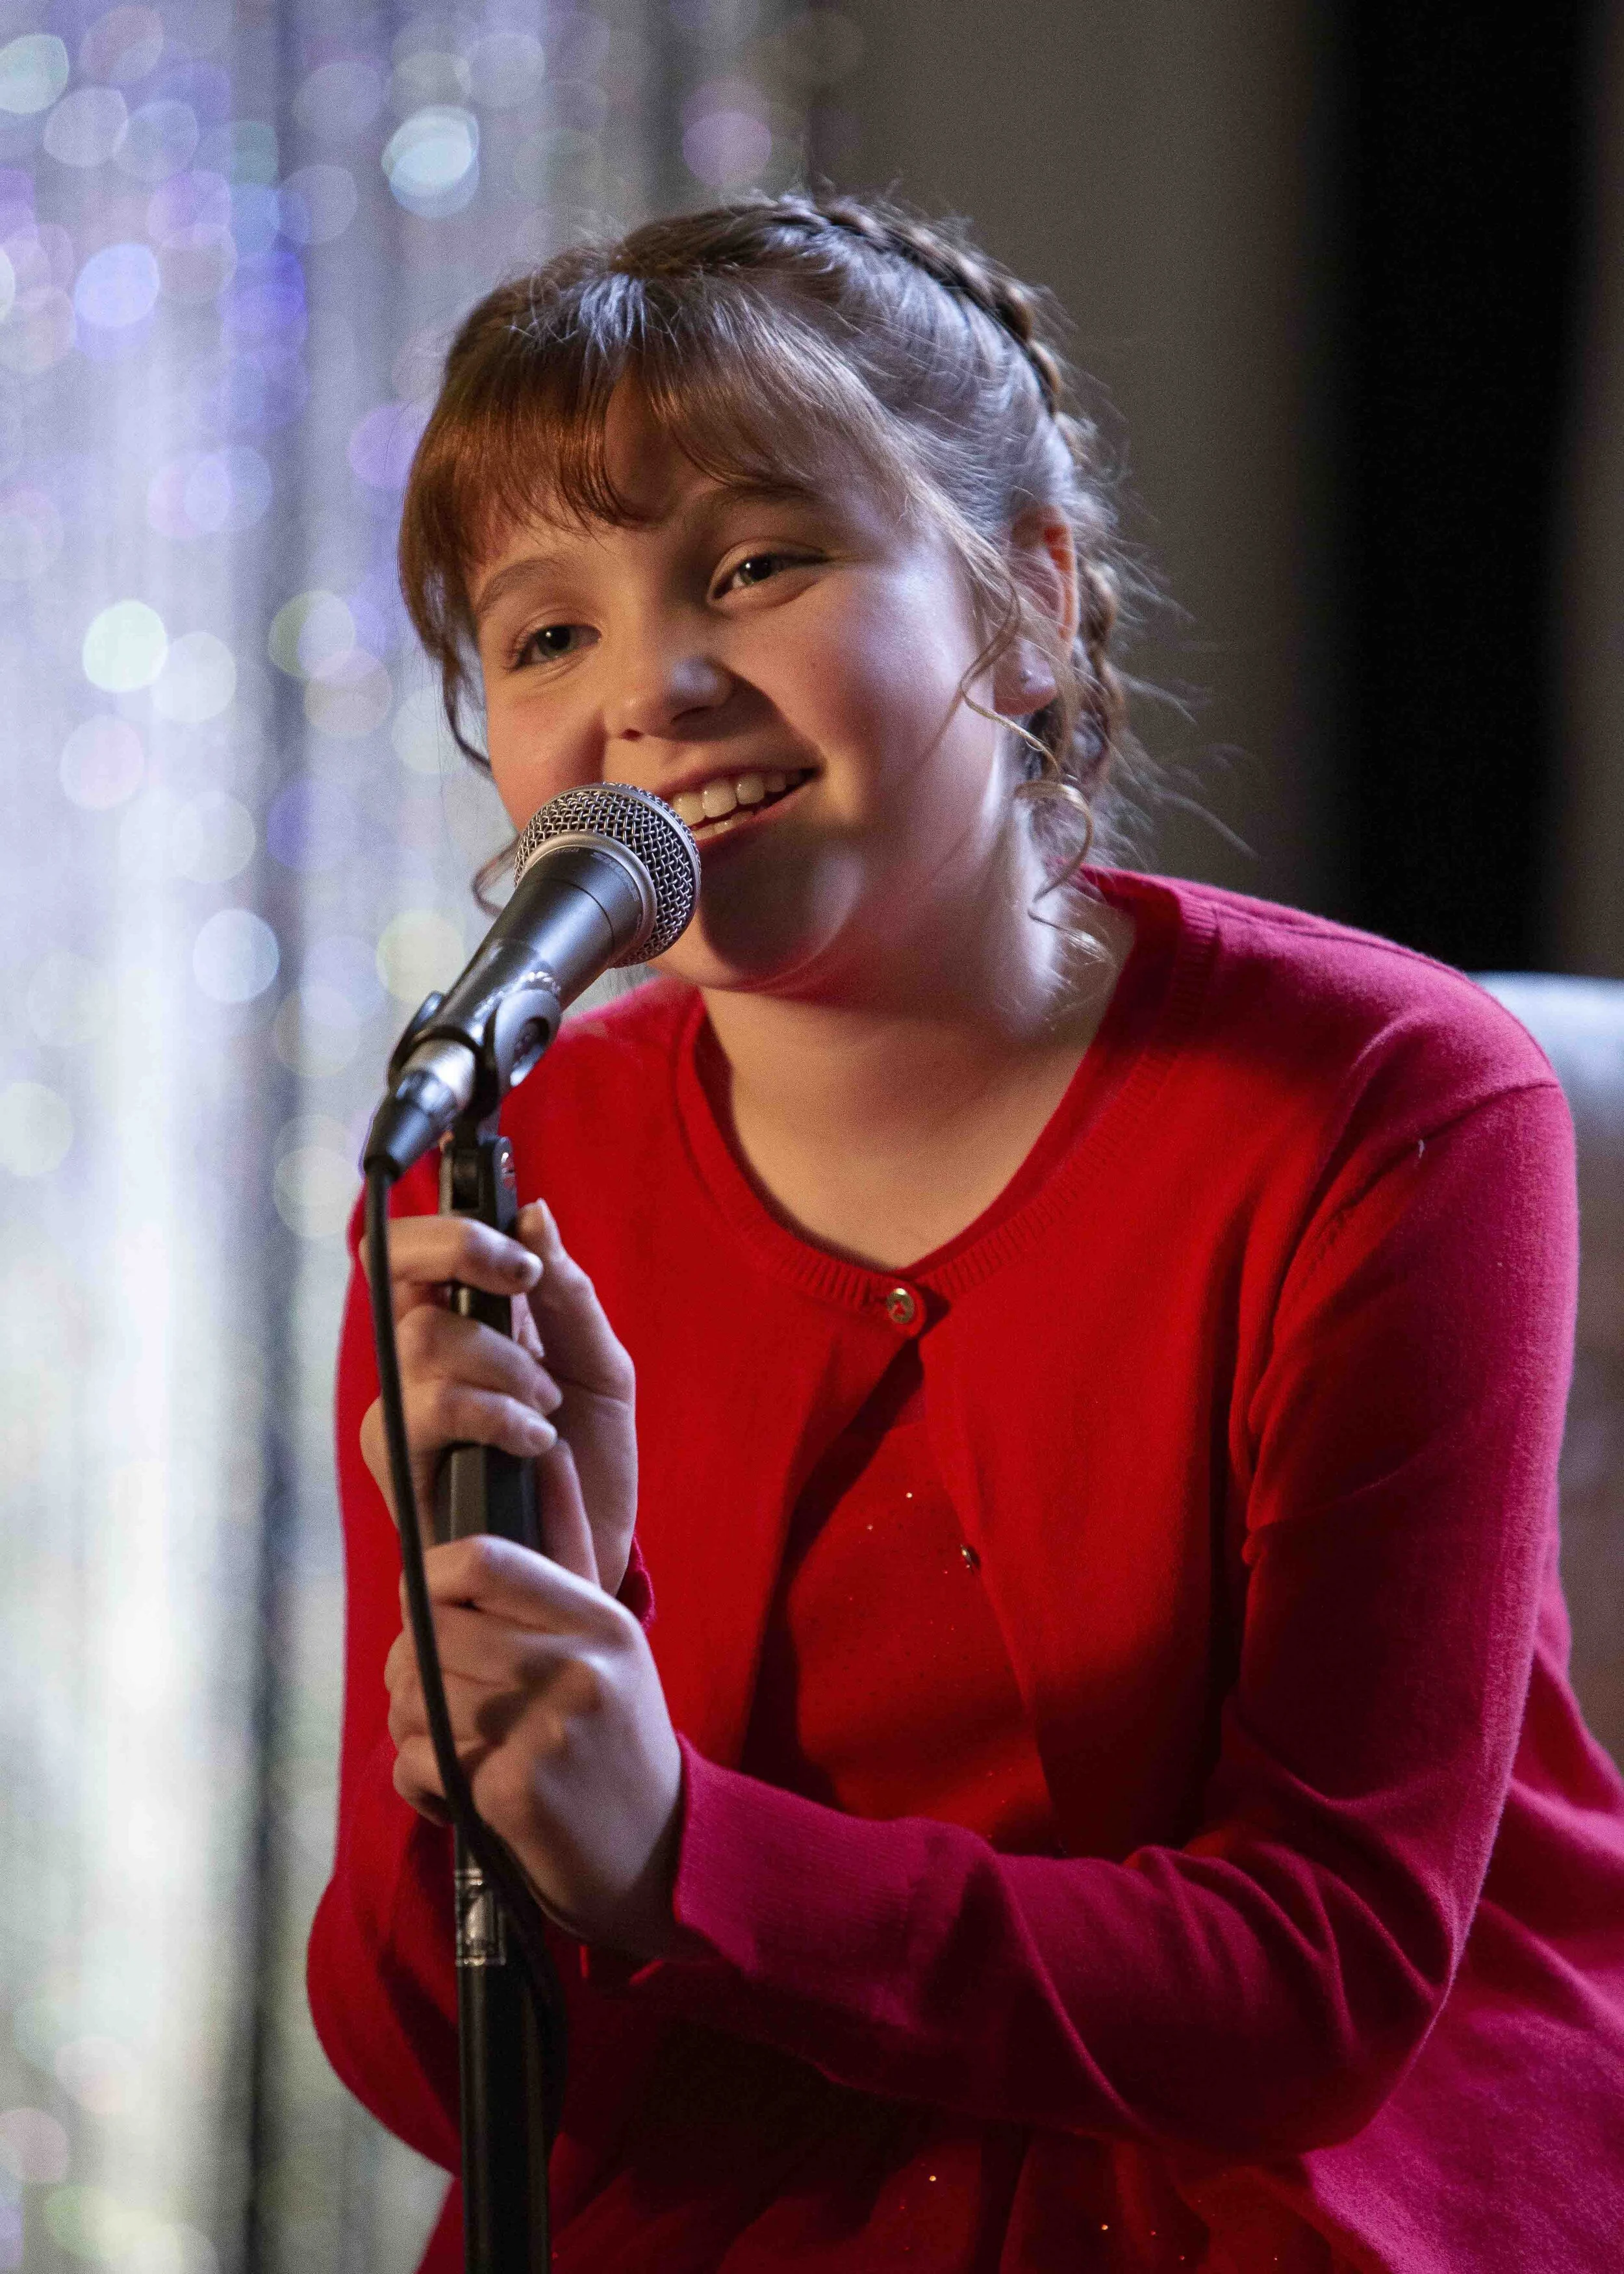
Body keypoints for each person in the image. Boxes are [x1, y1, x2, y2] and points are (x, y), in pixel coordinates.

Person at [307, 195, 1624, 2272]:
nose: (652, 683)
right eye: (544, 630)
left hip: (1295, 2186)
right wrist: (498, 1718)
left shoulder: (1388, 1097)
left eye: (756, 565)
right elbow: (424, 2060)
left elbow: (1321, 1980)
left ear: (1024, 604)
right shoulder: (477, 1143)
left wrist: (676, 1846)